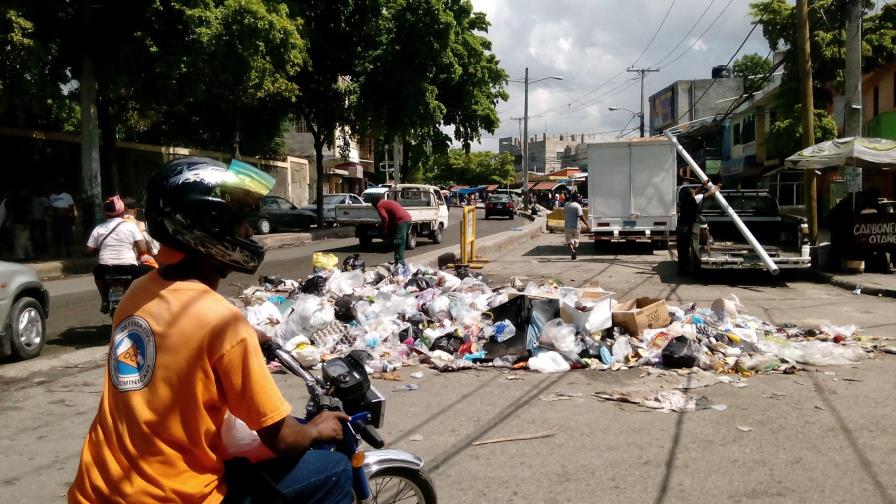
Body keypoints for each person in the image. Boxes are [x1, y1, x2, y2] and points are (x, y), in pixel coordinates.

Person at [68, 157, 352, 504]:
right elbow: (282, 438)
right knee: (335, 469)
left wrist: (250, 338)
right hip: (175, 496)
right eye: (238, 222)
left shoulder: (137, 293)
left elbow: (179, 340)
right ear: (208, 227)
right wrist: (315, 428)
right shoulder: (223, 324)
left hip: (97, 488)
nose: (248, 232)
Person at [85, 195, 150, 313]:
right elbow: (141, 249)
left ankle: (105, 300)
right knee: (150, 271)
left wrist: (99, 248)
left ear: (105, 214)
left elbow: (89, 250)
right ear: (123, 212)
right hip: (129, 268)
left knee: (97, 272)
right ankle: (139, 301)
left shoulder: (99, 228)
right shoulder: (131, 227)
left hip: (105, 269)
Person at [677, 180, 719, 273]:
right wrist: (716, 189)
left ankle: (682, 268)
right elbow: (708, 194)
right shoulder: (693, 200)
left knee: (681, 249)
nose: (694, 192)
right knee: (684, 249)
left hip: (680, 227)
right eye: (693, 192)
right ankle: (683, 270)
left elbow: (695, 192)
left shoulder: (685, 200)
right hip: (686, 228)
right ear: (691, 195)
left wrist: (702, 185)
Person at [372, 194, 413, 265]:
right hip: (407, 219)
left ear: (374, 203)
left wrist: (384, 230)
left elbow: (385, 218)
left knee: (399, 241)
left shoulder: (379, 205)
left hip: (401, 221)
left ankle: (399, 262)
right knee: (401, 241)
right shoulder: (386, 202)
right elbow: (390, 217)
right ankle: (398, 260)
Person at [49, 182, 76, 257]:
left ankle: (68, 252)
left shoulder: (67, 196)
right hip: (56, 218)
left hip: (65, 218)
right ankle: (58, 252)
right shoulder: (52, 196)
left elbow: (71, 207)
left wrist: (72, 218)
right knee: (57, 235)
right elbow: (51, 207)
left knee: (67, 235)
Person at [7, 188, 34, 260]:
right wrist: (24, 222)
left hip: (22, 222)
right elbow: (19, 214)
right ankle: (20, 256)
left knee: (26, 240)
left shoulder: (21, 202)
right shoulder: (19, 203)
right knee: (20, 240)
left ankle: (27, 255)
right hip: (20, 222)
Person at [564, 193, 588, 260]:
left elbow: (565, 213)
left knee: (569, 241)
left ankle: (572, 251)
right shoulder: (577, 206)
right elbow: (581, 216)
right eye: (579, 197)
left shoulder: (566, 205)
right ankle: (574, 251)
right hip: (576, 226)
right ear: (575, 198)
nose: (580, 198)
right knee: (576, 241)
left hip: (568, 226)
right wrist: (587, 224)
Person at [30, 189, 50, 256]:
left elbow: (46, 209)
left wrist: (43, 217)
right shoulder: (33, 199)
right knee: (34, 235)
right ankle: (37, 248)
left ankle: (44, 250)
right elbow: (32, 208)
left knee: (43, 235)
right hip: (34, 219)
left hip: (42, 219)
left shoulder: (44, 199)